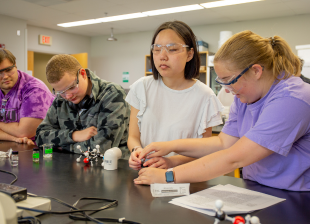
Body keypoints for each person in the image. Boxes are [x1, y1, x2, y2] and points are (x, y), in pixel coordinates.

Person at [135, 30, 310, 191]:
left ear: (256, 71)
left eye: (229, 80)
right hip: (257, 188)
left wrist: (168, 176)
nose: (226, 90)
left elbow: (234, 157)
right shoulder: (245, 96)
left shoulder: (293, 99)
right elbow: (223, 143)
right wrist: (168, 146)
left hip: (296, 196)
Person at [126, 21, 223, 170]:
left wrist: (173, 161)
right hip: (146, 173)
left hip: (185, 179)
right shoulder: (142, 87)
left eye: (172, 49)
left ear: (190, 54)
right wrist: (136, 151)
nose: (162, 56)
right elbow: (133, 137)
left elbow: (204, 150)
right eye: (157, 49)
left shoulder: (205, 96)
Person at [35, 54, 130, 158]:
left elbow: (102, 148)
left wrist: (61, 146)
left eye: (71, 87)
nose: (68, 96)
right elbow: (40, 137)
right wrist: (74, 135)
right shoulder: (61, 99)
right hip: (69, 168)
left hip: (111, 168)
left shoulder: (113, 94)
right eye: (61, 91)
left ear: (83, 74)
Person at [0, 49, 54, 145]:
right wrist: (13, 138)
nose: (5, 76)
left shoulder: (34, 89)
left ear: (15, 66)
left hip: (40, 150)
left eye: (8, 70)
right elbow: (20, 136)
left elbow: (24, 132)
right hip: (11, 145)